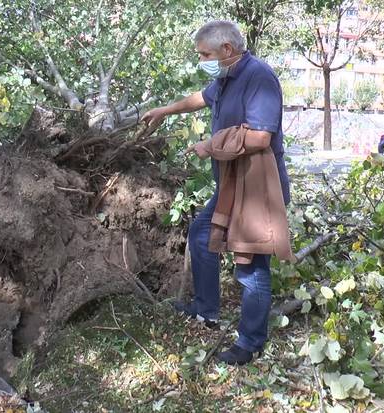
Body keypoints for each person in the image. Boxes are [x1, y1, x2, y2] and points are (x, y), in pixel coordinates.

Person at [141, 20, 291, 366]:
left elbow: (261, 137)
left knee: (251, 268)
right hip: (230, 186)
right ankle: (206, 309)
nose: (202, 60)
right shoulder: (226, 75)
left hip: (256, 190)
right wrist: (166, 110)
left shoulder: (259, 77)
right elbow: (200, 98)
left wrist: (211, 145)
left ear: (227, 50)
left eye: (205, 54)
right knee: (201, 234)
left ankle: (250, 342)